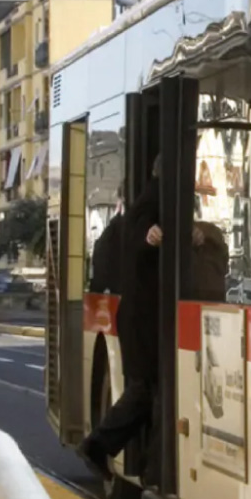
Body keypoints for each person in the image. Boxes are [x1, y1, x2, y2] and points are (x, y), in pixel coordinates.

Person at [78, 154, 164, 479]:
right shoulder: (151, 205)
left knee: (150, 390)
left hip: (137, 316)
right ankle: (100, 445)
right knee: (147, 389)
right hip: (144, 318)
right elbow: (142, 241)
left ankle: (149, 466)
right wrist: (151, 238)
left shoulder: (123, 221)